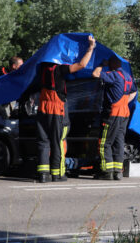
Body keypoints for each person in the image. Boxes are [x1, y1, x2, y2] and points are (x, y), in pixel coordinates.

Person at [35, 35, 96, 183]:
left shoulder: (42, 67)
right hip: (57, 109)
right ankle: (57, 174)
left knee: (43, 141)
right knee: (58, 141)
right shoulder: (59, 69)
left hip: (42, 108)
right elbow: (81, 65)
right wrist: (90, 49)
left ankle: (43, 174)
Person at [92, 55, 137, 180]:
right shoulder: (128, 77)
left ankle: (107, 172)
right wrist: (125, 101)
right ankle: (118, 172)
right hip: (124, 113)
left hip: (113, 113)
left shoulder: (113, 75)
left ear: (112, 63)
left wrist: (101, 63)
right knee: (118, 142)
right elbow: (134, 91)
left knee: (104, 143)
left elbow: (95, 74)